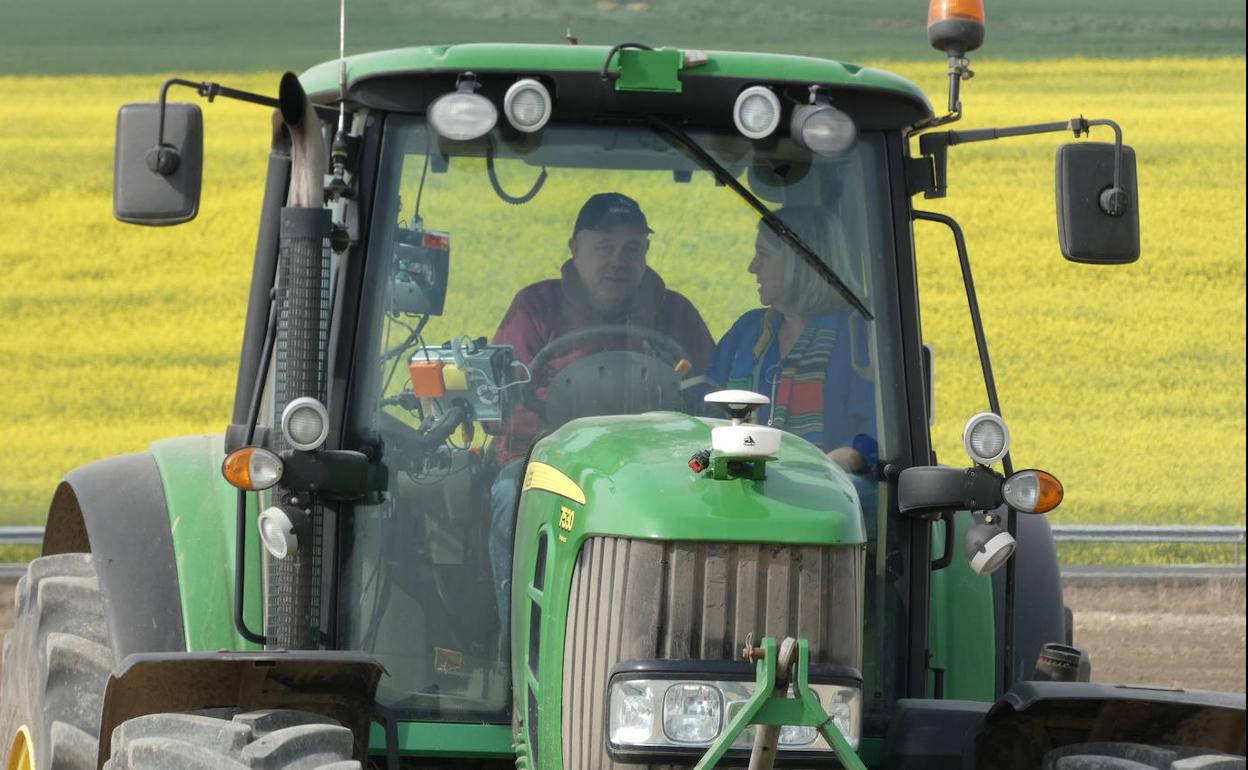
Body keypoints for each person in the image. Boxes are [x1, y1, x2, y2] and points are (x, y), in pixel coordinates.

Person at [487, 191, 714, 633]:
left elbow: (709, 396)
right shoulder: (536, 307)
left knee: (715, 492)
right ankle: (515, 643)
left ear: (646, 253)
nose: (618, 260)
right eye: (605, 247)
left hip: (661, 470)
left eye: (632, 249)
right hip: (548, 465)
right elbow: (504, 400)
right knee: (508, 496)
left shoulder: (676, 313)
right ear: (575, 248)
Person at [707, 204, 878, 473]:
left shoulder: (859, 334)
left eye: (763, 255)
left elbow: (882, 424)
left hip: (829, 496)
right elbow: (705, 405)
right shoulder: (746, 331)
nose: (752, 267)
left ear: (800, 263)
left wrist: (848, 458)